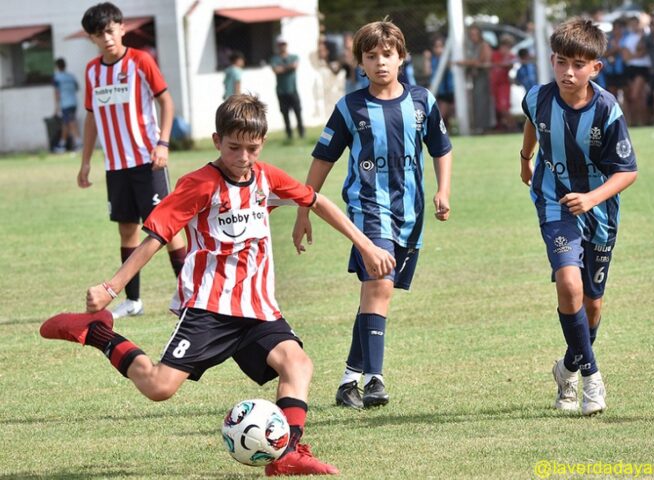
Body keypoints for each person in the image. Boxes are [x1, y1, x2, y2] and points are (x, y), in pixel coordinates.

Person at [40, 93, 397, 476]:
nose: (244, 157)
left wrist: (365, 244)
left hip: (258, 309)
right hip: (210, 307)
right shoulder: (199, 185)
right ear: (216, 141)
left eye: (253, 148)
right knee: (159, 387)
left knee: (298, 363)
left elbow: (316, 201)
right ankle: (96, 332)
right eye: (234, 147)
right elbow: (155, 238)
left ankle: (288, 453)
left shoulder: (265, 178)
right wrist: (110, 288)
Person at [292, 19, 453, 410]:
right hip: (368, 210)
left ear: (401, 58)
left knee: (375, 295)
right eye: (370, 56)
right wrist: (303, 211)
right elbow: (322, 160)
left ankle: (348, 380)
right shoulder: (350, 107)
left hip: (410, 214)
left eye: (387, 55)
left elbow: (440, 147)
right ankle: (374, 379)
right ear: (360, 64)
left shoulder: (422, 101)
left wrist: (443, 189)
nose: (380, 63)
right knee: (379, 283)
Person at [519, 17, 638, 416]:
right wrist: (525, 158)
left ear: (595, 68)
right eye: (560, 62)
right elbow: (532, 123)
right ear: (552, 60)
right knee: (569, 284)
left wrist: (590, 198)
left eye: (577, 65)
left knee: (593, 305)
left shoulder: (606, 108)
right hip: (554, 203)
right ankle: (591, 379)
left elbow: (628, 171)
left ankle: (567, 367)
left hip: (599, 209)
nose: (568, 72)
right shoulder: (537, 97)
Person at [77, 2, 186, 319]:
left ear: (121, 28)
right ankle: (133, 300)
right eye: (99, 34)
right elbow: (91, 117)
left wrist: (163, 143)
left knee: (165, 228)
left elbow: (166, 101)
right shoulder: (92, 71)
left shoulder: (141, 61)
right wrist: (85, 162)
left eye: (110, 30)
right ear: (92, 39)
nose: (107, 38)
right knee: (127, 230)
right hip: (115, 166)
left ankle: (188, 295)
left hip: (147, 161)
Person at [457, 24, 494, 133]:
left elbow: (480, 61)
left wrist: (462, 63)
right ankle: (479, 126)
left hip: (483, 77)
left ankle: (484, 127)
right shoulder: (473, 47)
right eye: (471, 35)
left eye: (475, 35)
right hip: (476, 77)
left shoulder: (484, 45)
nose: (473, 37)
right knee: (476, 101)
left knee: (482, 101)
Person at [271, 36, 305, 141]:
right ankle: (289, 135)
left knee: (298, 112)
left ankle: (301, 134)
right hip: (281, 91)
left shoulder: (293, 56)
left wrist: (283, 68)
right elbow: (276, 70)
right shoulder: (274, 58)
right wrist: (288, 67)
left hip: (293, 90)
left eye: (284, 44)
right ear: (278, 46)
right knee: (285, 114)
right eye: (281, 44)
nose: (282, 47)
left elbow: (294, 66)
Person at [622, 16, 652, 126]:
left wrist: (632, 55)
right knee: (637, 97)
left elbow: (643, 52)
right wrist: (635, 55)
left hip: (642, 68)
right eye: (632, 24)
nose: (634, 26)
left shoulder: (645, 35)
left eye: (636, 24)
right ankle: (639, 121)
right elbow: (625, 56)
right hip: (631, 69)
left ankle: (644, 121)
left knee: (636, 95)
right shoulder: (628, 38)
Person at [423, 35, 455, 130]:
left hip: (448, 90)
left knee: (445, 115)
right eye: (436, 47)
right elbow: (427, 72)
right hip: (437, 90)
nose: (439, 49)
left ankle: (446, 133)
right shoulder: (433, 59)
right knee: (442, 115)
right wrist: (426, 59)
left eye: (441, 46)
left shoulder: (449, 58)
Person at [53, 58, 82, 153]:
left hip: (65, 104)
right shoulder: (71, 76)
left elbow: (57, 93)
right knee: (65, 124)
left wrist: (56, 108)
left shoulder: (57, 78)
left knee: (71, 122)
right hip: (73, 102)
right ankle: (62, 144)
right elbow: (77, 87)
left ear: (57, 66)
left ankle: (78, 142)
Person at [490, 34, 517, 132]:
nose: (505, 48)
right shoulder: (495, 55)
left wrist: (506, 58)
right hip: (495, 84)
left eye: (508, 46)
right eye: (503, 45)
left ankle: (514, 126)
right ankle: (504, 126)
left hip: (504, 84)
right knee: (498, 108)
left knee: (504, 107)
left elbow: (510, 66)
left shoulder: (511, 56)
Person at [602, 18, 628, 106]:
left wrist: (616, 50)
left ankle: (629, 117)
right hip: (611, 70)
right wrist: (615, 50)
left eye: (618, 28)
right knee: (612, 95)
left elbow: (626, 53)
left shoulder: (626, 39)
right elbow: (604, 54)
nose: (616, 30)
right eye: (615, 28)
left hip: (624, 69)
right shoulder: (609, 40)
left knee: (627, 95)